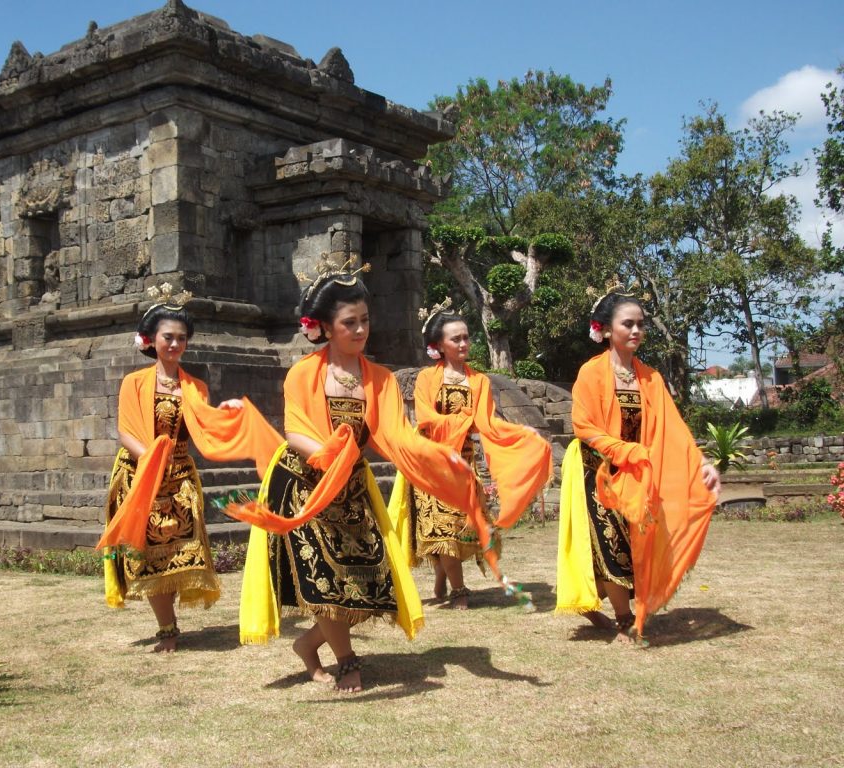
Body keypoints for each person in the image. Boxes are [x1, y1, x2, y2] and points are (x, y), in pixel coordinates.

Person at [229, 258, 483, 693]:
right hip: (303, 485)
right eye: (350, 322)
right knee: (325, 577)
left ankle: (308, 646)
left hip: (351, 490)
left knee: (360, 583)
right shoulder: (303, 374)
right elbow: (295, 431)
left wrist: (442, 459)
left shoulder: (380, 379)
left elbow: (398, 435)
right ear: (325, 327)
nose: (361, 330)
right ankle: (347, 660)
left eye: (365, 320)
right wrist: (331, 454)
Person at [98, 283, 281, 653]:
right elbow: (125, 430)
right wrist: (150, 459)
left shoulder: (194, 386)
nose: (175, 345)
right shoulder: (134, 383)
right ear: (151, 339)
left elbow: (205, 427)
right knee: (148, 554)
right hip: (141, 475)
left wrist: (228, 411)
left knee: (184, 549)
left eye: (181, 338)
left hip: (180, 477)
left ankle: (171, 620)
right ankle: (167, 627)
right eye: (168, 337)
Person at [555, 289, 720, 644]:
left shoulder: (650, 378)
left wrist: (701, 463)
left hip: (638, 475)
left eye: (640, 325)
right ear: (606, 329)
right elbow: (584, 426)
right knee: (612, 541)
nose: (635, 331)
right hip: (598, 472)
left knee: (638, 542)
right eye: (627, 324)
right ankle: (623, 617)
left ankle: (603, 599)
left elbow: (673, 428)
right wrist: (623, 451)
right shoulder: (591, 373)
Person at [395, 300, 553, 609]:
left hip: (464, 464)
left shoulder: (479, 381)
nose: (464, 343)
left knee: (461, 525)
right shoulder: (428, 379)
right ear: (439, 345)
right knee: (440, 525)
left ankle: (443, 572)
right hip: (432, 463)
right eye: (456, 339)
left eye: (466, 337)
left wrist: (523, 433)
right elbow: (426, 420)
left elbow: (488, 423)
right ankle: (459, 590)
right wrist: (464, 420)